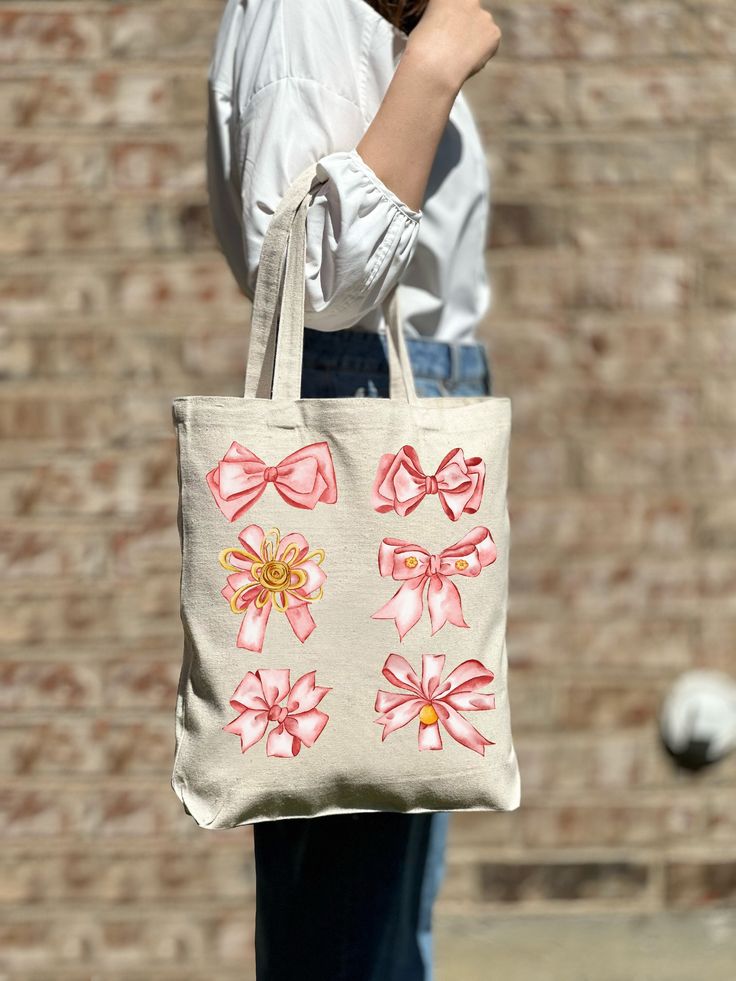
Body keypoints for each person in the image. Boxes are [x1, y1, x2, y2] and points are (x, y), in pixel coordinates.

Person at [205, 1, 502, 977]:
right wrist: (431, 69)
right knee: (350, 899)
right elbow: (319, 277)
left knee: (378, 884)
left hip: (398, 412)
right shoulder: (310, 11)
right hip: (361, 412)